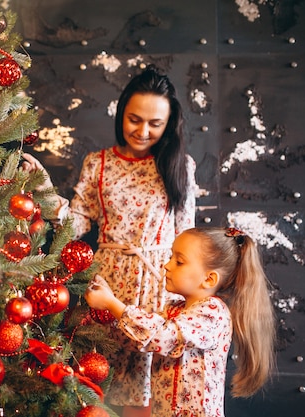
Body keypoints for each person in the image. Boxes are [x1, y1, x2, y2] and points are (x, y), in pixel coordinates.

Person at [22, 65, 196, 417]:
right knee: (102, 386)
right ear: (121, 114)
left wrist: (188, 302)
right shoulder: (98, 163)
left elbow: (187, 237)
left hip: (159, 290)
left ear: (168, 124)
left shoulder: (180, 165)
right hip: (107, 284)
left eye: (155, 124)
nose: (143, 131)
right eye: (134, 119)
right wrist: (44, 191)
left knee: (150, 395)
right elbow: (78, 223)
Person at [84, 227, 276, 417]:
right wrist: (106, 313)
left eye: (179, 262)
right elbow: (140, 340)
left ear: (209, 279)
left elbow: (161, 337)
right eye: (171, 258)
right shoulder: (174, 309)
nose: (167, 265)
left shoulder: (212, 313)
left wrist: (113, 304)